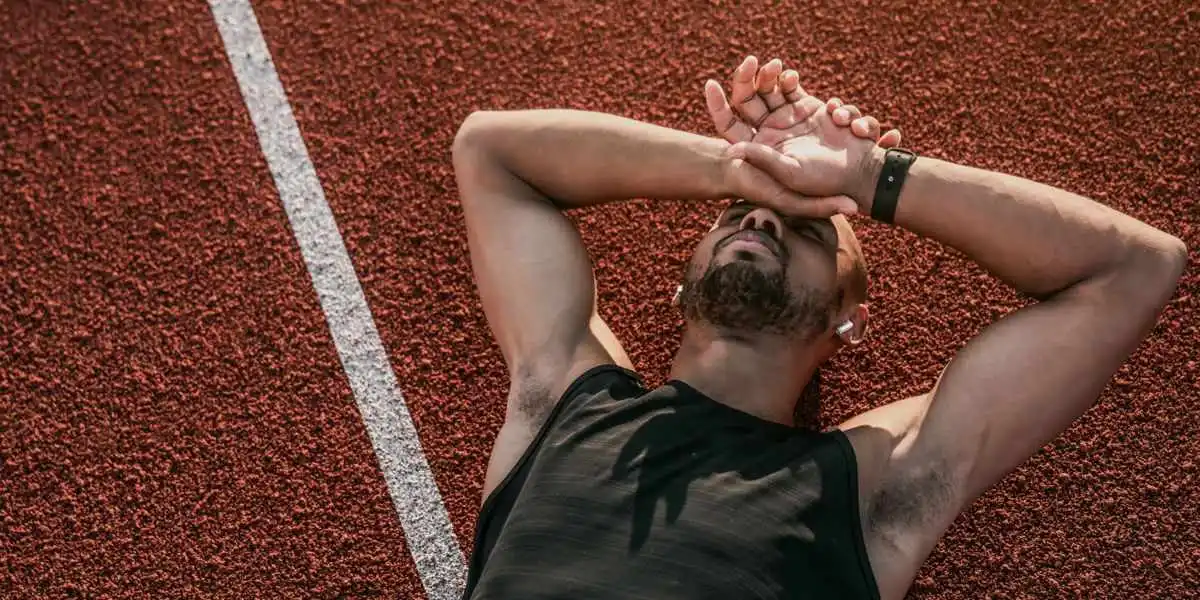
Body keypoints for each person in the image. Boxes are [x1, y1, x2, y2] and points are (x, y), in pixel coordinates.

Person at [449, 55, 1187, 600]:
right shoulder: (566, 400)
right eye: (740, 214)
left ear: (848, 319)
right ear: (681, 288)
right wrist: (739, 165)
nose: (765, 214)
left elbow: (1135, 270)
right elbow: (489, 149)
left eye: (810, 231)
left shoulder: (870, 490)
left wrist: (870, 175)